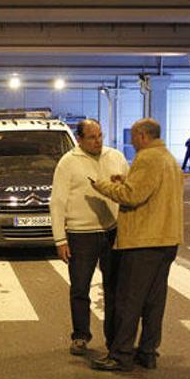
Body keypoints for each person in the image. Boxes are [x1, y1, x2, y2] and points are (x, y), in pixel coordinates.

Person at [90, 118, 184, 372]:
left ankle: (121, 355)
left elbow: (131, 196)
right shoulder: (169, 159)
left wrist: (103, 186)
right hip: (167, 239)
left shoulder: (147, 157)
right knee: (154, 301)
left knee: (128, 301)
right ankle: (148, 352)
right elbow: (150, 189)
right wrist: (126, 180)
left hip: (144, 241)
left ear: (142, 135)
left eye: (133, 136)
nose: (131, 141)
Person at [50, 119, 129, 356]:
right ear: (80, 139)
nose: (98, 141)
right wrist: (60, 239)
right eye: (92, 137)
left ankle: (113, 337)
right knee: (80, 287)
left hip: (111, 232)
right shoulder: (68, 163)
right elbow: (58, 202)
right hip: (80, 235)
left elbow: (130, 190)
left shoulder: (115, 157)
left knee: (113, 288)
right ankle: (81, 336)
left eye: (100, 135)